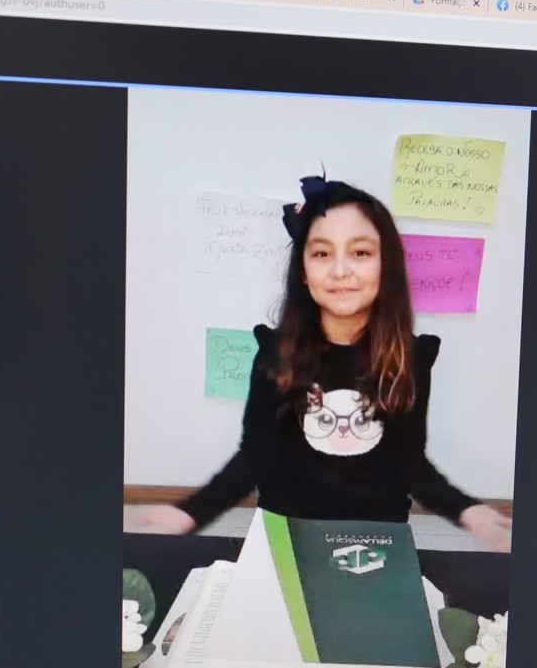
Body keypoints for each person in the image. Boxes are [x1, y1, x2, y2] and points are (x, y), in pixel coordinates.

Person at [125, 176, 512, 552]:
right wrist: (189, 514)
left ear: (387, 267)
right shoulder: (276, 353)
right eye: (322, 253)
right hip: (286, 538)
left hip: (377, 542)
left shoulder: (409, 358)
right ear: (303, 272)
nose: (340, 270)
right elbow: (254, 456)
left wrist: (469, 512)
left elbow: (410, 464)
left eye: (360, 253)